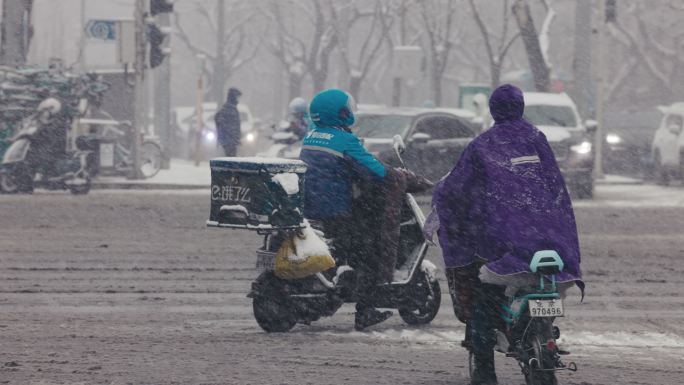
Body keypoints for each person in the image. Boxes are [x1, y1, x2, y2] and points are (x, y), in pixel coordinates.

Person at [430, 84, 583, 385]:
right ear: (521, 107)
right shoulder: (537, 139)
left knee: (482, 300)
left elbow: (457, 189)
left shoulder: (483, 144)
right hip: (550, 239)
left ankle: (485, 369)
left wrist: (446, 206)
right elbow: (555, 186)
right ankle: (542, 335)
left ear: (492, 109)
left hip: (506, 243)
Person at [299, 88, 423, 331]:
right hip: (337, 210)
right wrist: (397, 176)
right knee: (371, 251)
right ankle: (366, 310)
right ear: (341, 112)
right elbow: (376, 172)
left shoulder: (312, 137)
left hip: (312, 209)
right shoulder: (344, 140)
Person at [214, 87, 242, 157]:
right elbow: (229, 126)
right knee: (231, 159)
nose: (238, 100)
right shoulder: (229, 109)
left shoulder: (229, 107)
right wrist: (235, 137)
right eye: (238, 97)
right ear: (234, 97)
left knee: (230, 159)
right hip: (229, 141)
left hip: (229, 140)